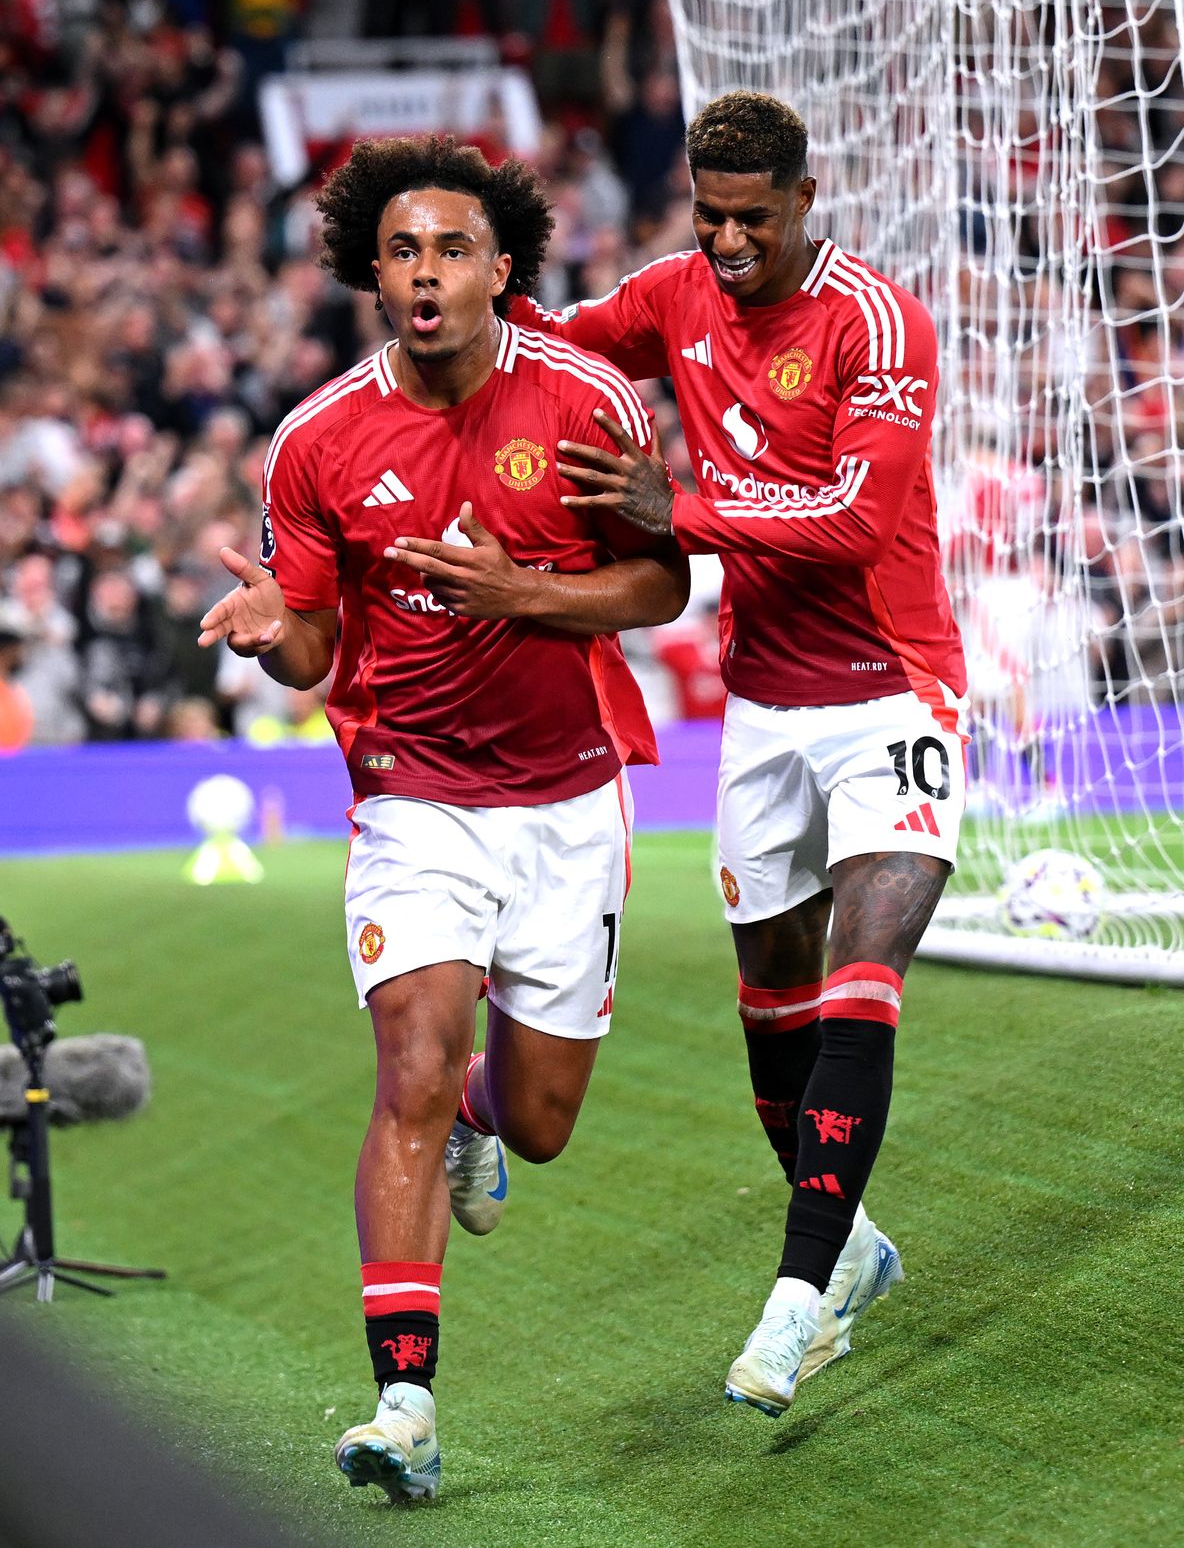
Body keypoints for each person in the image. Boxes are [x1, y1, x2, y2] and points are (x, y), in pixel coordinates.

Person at [196, 134, 688, 1503]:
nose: (425, 272)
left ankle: (487, 1104)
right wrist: (268, 637)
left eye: (453, 249)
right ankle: (403, 1398)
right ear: (372, 267)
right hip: (414, 800)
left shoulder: (589, 405)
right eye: (403, 249)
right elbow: (308, 644)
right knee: (411, 1059)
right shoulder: (319, 440)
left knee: (536, 1121)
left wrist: (518, 594)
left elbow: (658, 592)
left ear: (504, 268)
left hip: (568, 804)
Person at [496, 90, 969, 1417]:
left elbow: (861, 518)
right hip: (763, 710)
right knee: (772, 1001)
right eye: (708, 215)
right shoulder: (671, 293)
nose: (727, 240)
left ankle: (796, 1301)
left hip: (893, 693)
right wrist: (465, 309)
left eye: (752, 217)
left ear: (805, 203)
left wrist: (682, 509)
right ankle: (853, 1245)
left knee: (863, 973)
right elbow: (557, 349)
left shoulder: (877, 323)